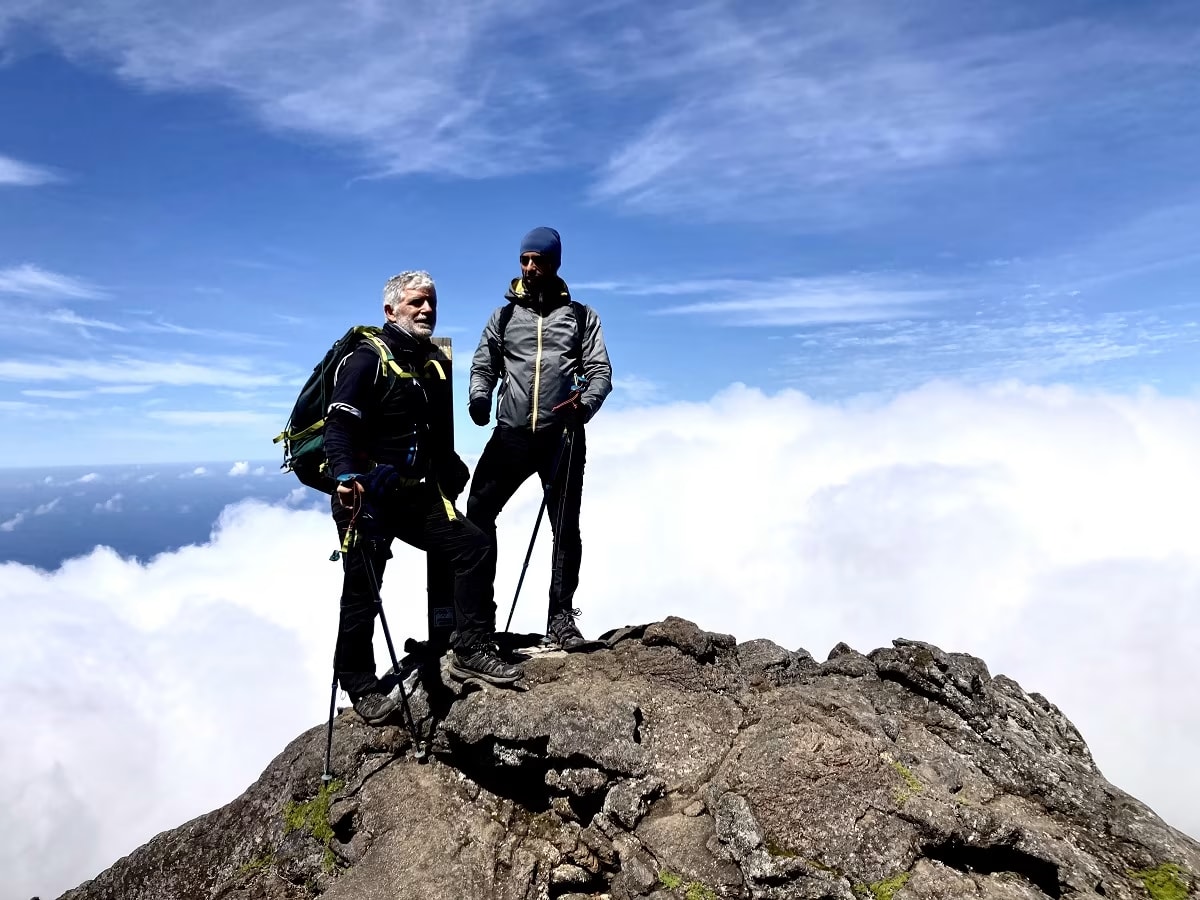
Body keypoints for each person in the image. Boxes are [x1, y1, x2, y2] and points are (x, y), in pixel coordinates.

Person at [325, 270, 523, 724]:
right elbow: (340, 425)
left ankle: (470, 646)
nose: (427, 310)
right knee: (363, 592)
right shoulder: (364, 360)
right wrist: (345, 477)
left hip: (412, 496)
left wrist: (448, 466)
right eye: (416, 303)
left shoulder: (423, 361)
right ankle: (357, 681)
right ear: (391, 310)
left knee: (472, 545)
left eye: (431, 302)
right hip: (365, 497)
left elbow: (422, 431)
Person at [467, 227, 613, 649]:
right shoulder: (504, 316)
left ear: (555, 263)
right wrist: (480, 397)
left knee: (565, 530)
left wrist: (583, 406)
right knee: (475, 519)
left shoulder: (582, 317)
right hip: (510, 435)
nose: (530, 268)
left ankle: (561, 619)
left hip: (562, 437)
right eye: (525, 260)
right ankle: (479, 621)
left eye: (539, 260)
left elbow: (601, 373)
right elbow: (484, 365)